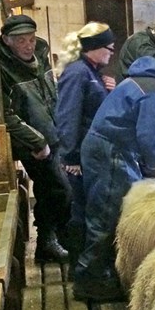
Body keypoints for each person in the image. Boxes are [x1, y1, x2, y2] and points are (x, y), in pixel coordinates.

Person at [73, 50, 155, 302]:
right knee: (108, 213)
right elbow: (153, 138)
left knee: (105, 211)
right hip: (112, 152)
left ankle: (101, 271)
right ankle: (90, 281)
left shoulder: (140, 79)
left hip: (109, 148)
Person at [0, 14, 71, 262]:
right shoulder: (1, 68)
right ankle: (52, 240)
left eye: (30, 39)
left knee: (56, 188)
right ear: (7, 40)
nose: (28, 45)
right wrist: (37, 141)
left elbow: (53, 91)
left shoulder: (41, 53)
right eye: (21, 41)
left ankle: (52, 242)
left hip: (56, 131)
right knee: (58, 188)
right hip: (34, 143)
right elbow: (5, 115)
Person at [54, 22, 117, 269]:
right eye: (109, 49)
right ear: (94, 48)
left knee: (88, 210)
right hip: (80, 159)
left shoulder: (91, 72)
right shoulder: (77, 73)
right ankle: (80, 268)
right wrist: (71, 158)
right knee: (81, 212)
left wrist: (106, 89)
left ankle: (84, 267)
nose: (112, 53)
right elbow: (67, 117)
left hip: (90, 156)